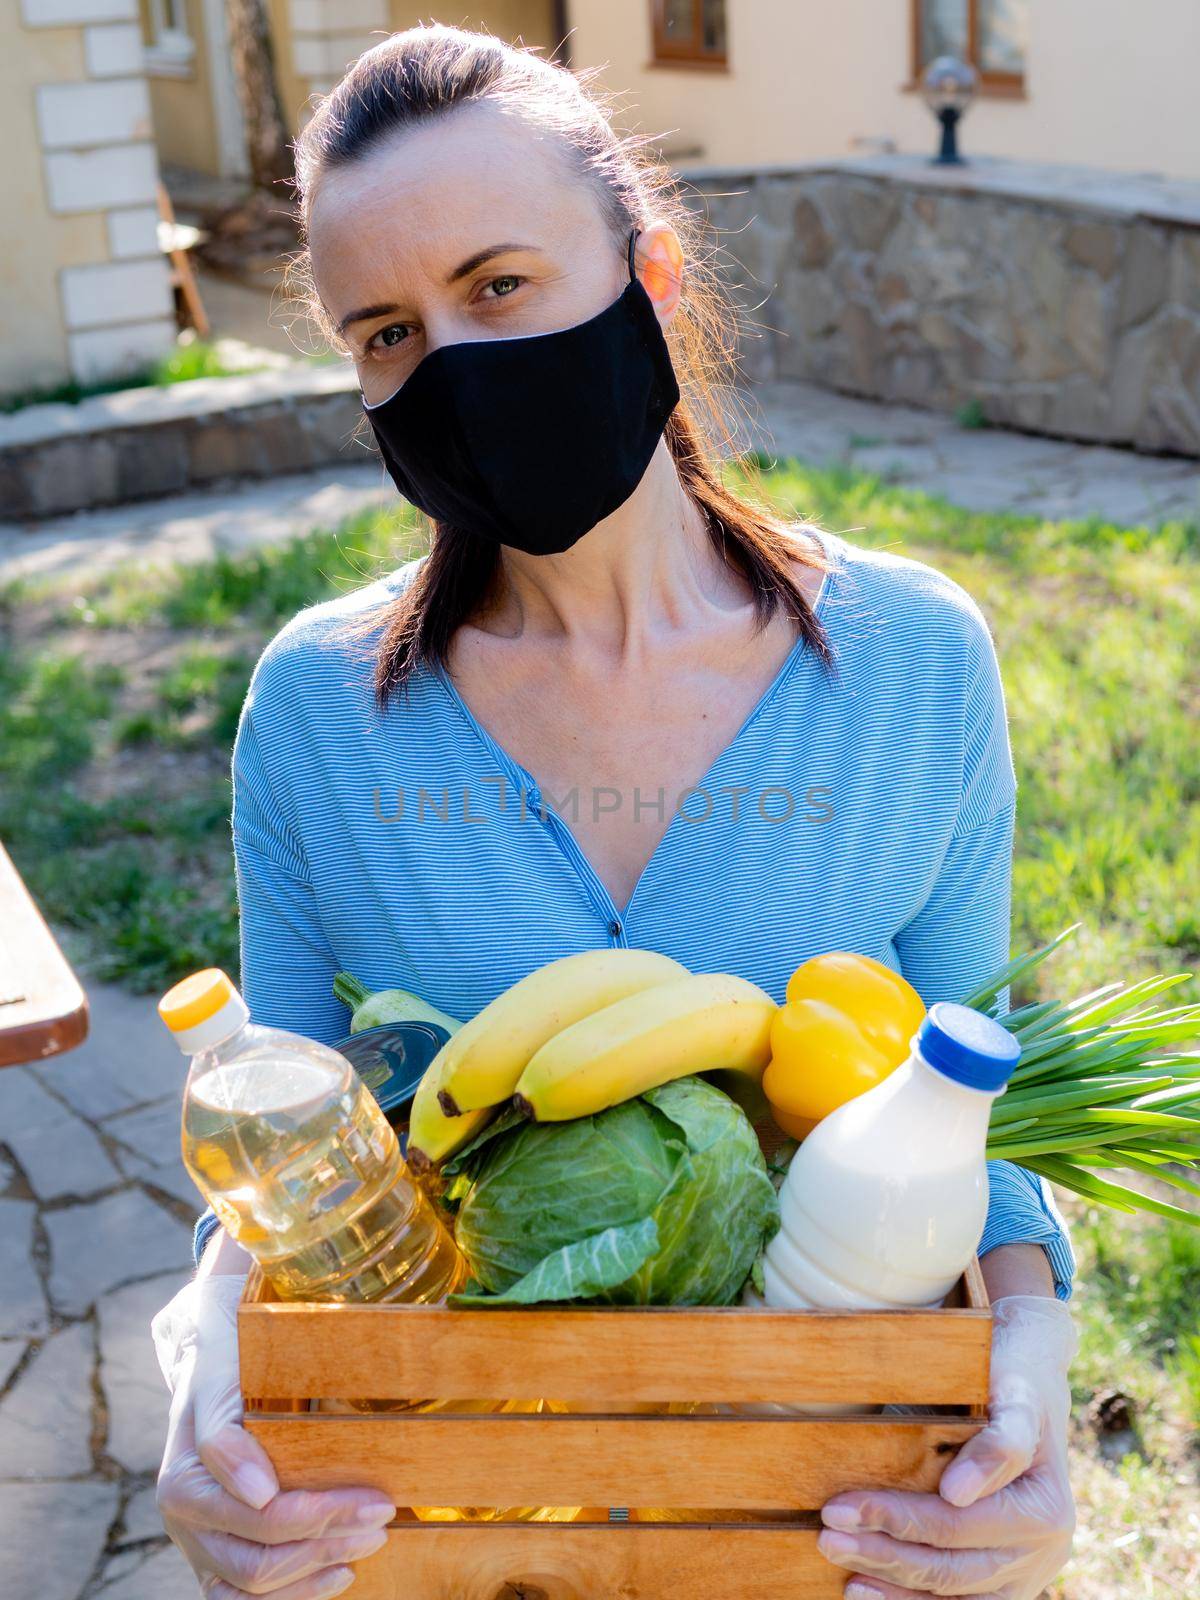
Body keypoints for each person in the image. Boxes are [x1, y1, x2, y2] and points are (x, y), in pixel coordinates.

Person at [150, 24, 1078, 1600]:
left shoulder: (913, 663)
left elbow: (975, 1090)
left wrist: (1041, 1368)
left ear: (645, 279)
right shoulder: (318, 712)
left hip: (831, 1530)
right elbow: (284, 1156)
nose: (445, 366)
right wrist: (202, 1385)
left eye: (499, 286)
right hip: (458, 1535)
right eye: (384, 332)